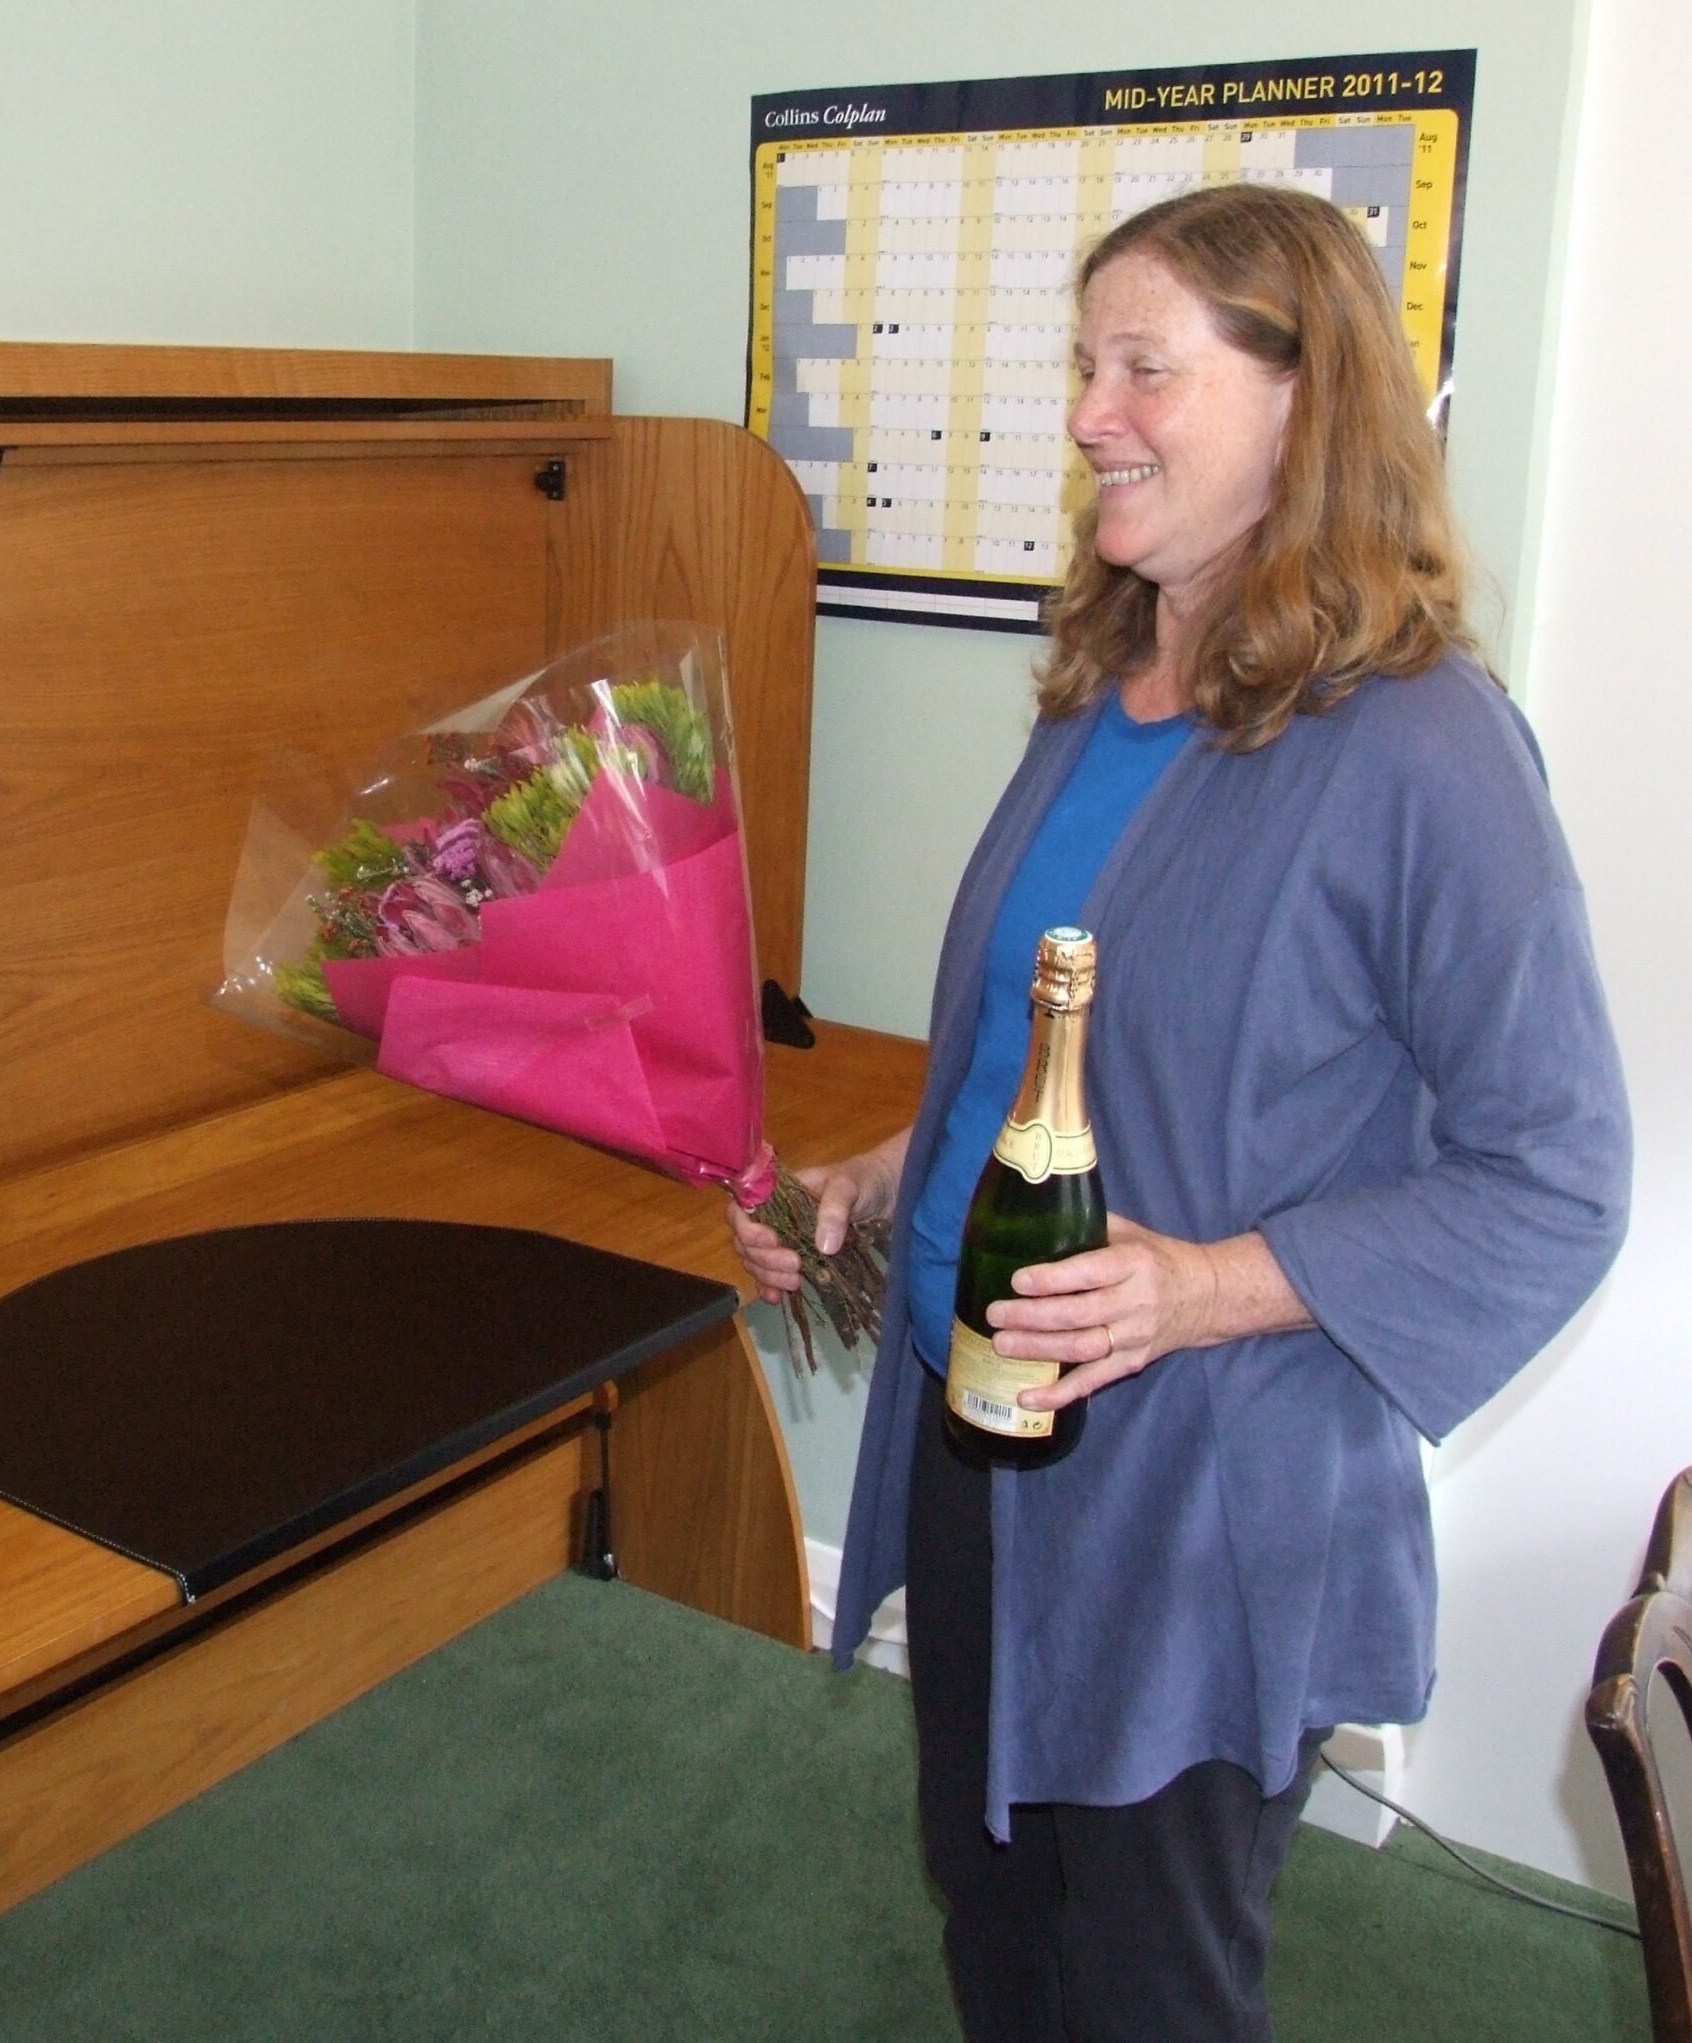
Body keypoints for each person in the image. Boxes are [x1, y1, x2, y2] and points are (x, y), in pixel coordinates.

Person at [730, 182, 1630, 2042]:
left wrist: (1201, 1289)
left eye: (1145, 368)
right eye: (1084, 366)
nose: (1088, 415)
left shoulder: (1428, 747)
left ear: (1306, 405)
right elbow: (1055, 1054)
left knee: (1145, 1980)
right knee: (994, 1912)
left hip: (1196, 1502)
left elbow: (1556, 1175)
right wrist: (891, 1178)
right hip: (981, 1431)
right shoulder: (1101, 691)